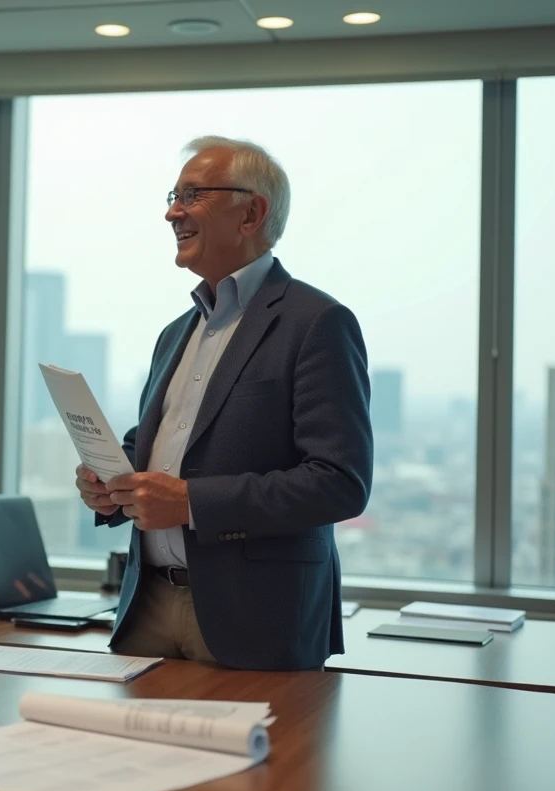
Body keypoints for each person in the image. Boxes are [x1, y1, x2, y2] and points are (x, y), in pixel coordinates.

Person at [75, 136, 373, 671]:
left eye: (192, 195)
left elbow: (339, 482)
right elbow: (160, 449)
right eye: (173, 195)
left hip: (256, 616)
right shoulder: (175, 332)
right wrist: (112, 484)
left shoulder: (316, 323)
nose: (172, 211)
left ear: (251, 213)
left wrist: (190, 502)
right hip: (146, 607)